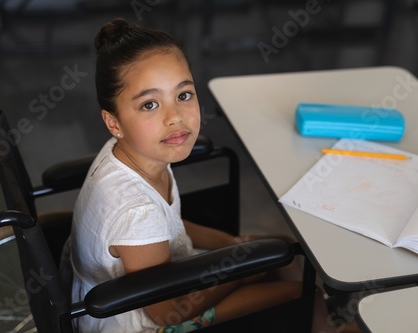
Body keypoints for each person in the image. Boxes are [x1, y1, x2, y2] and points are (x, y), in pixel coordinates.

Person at [70, 18, 356, 333]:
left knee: (282, 253)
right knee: (300, 291)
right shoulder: (136, 210)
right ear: (114, 123)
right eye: (150, 104)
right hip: (141, 323)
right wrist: (239, 271)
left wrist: (233, 244)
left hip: (148, 294)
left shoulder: (133, 154)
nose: (175, 117)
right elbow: (166, 313)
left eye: (183, 95)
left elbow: (168, 226)